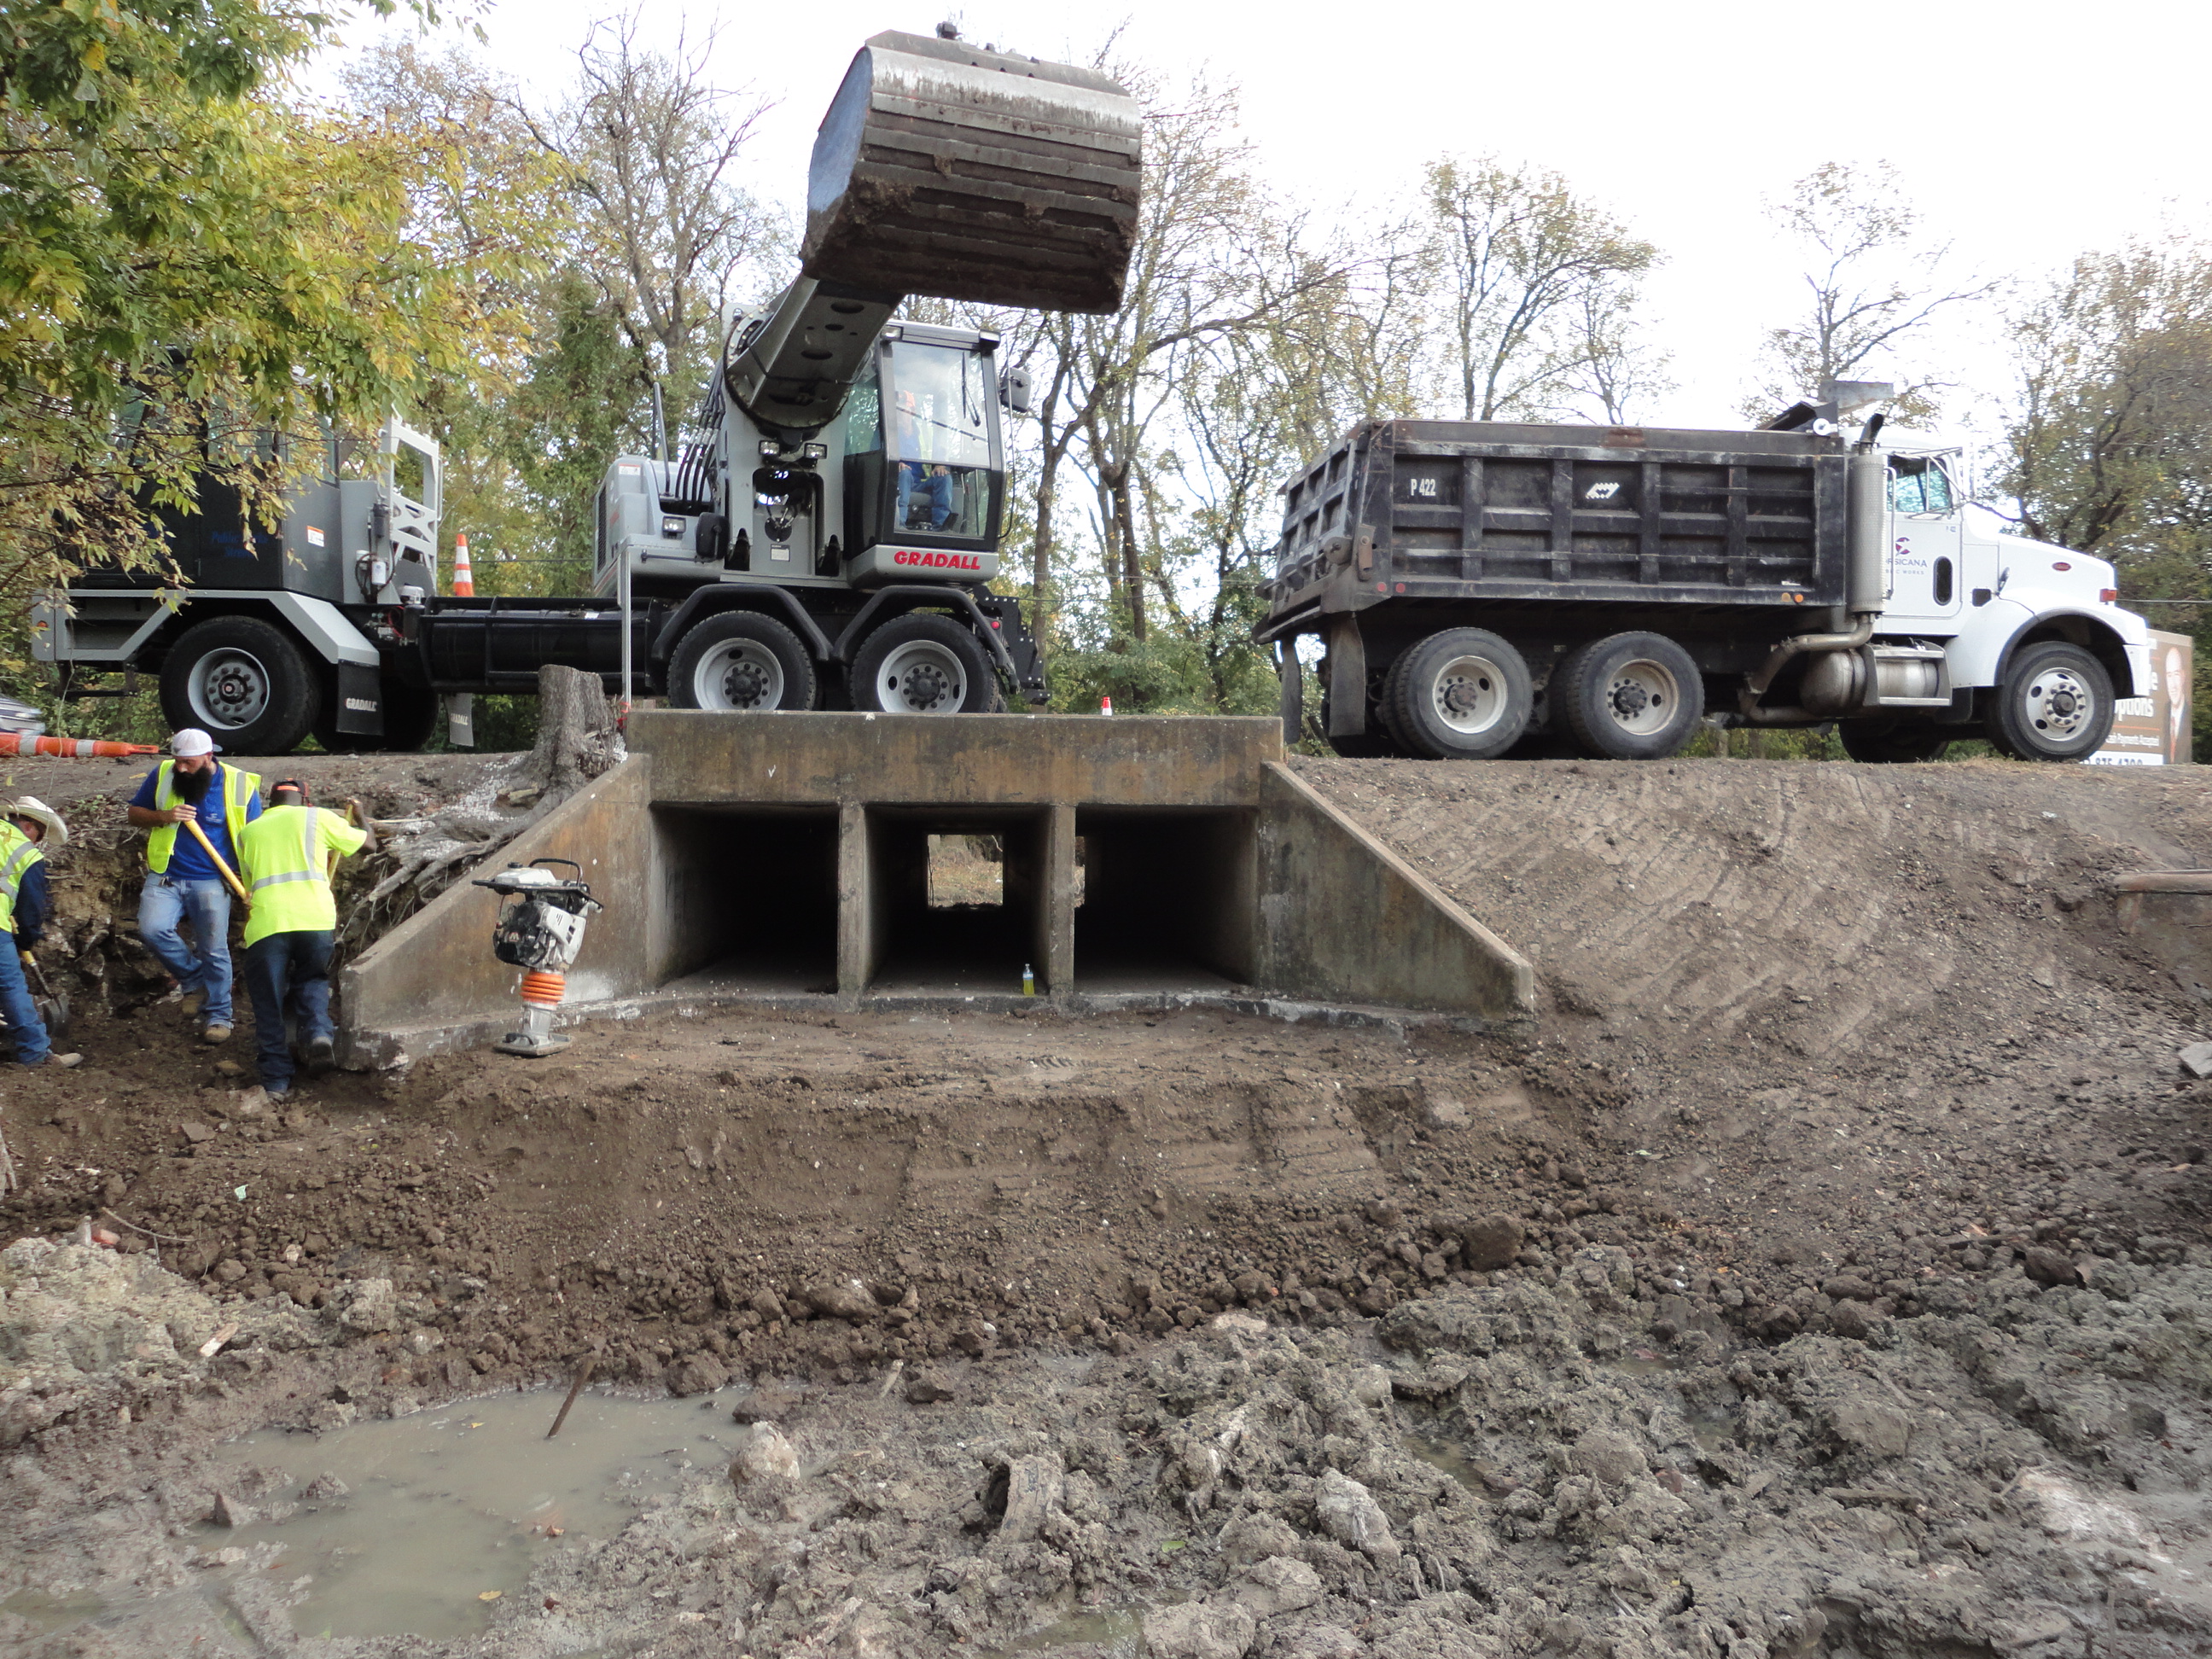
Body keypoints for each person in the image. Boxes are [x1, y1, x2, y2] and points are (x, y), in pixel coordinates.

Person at [125, 729, 262, 1045]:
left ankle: (219, 1015)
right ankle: (192, 978)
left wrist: (254, 881)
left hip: (212, 880)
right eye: (178, 762)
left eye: (188, 763)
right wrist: (163, 816)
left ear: (208, 757)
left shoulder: (240, 785)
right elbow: (134, 814)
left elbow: (256, 838)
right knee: (151, 928)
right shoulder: (163, 774)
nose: (181, 769)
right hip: (166, 874)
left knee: (214, 949)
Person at [234, 780, 369, 1098]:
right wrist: (361, 816)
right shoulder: (318, 817)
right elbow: (368, 845)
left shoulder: (248, 832)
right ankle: (319, 1033)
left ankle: (277, 1082)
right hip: (315, 919)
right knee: (312, 979)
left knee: (268, 1002)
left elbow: (249, 888)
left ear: (271, 803)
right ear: (305, 800)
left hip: (268, 923)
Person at [0, 796, 80, 1068]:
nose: (38, 844)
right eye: (40, 837)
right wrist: (24, 939)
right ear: (30, 827)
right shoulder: (26, 853)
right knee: (10, 985)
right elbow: (31, 909)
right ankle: (35, 1055)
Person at [893, 387, 956, 531]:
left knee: (944, 478)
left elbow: (939, 455)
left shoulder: (925, 433)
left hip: (921, 483)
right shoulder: (886, 433)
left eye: (903, 410)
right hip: (897, 480)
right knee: (904, 474)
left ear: (912, 412)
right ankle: (899, 524)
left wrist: (940, 466)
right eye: (896, 411)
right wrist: (895, 466)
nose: (899, 415)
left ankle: (941, 526)